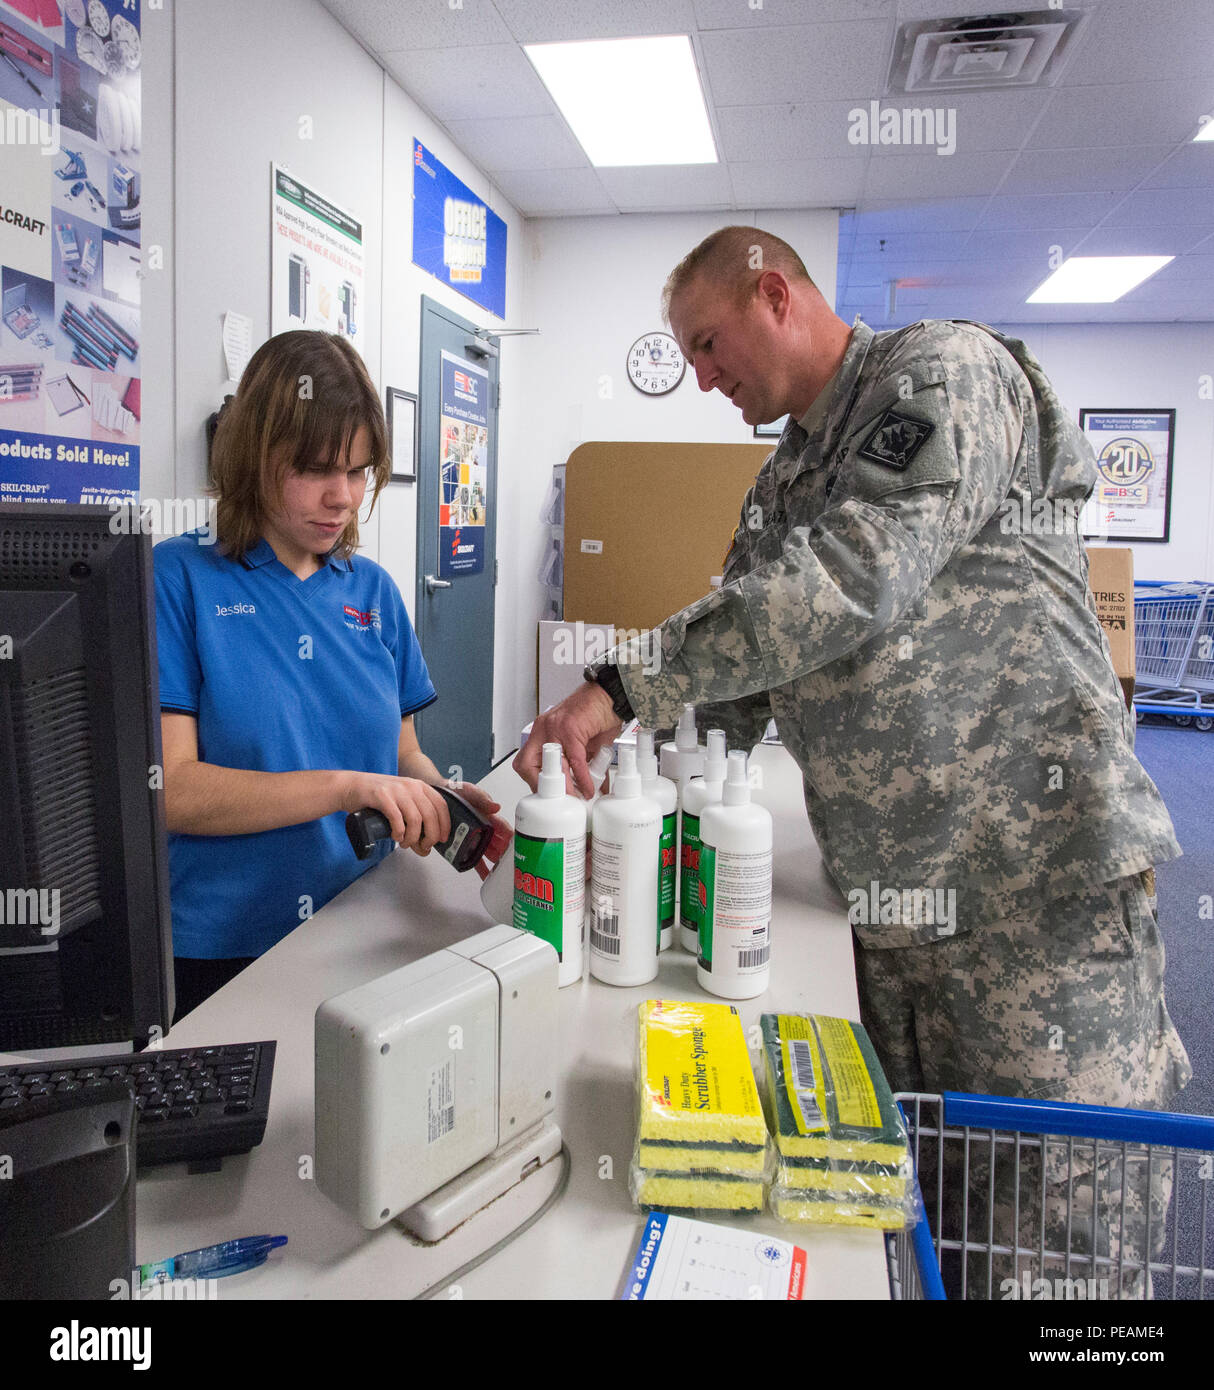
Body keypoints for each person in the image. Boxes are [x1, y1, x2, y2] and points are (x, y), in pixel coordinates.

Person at [516, 226, 1191, 1295]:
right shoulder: (786, 477)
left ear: (773, 294)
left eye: (705, 343)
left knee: (1056, 1244)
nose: (701, 378)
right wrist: (612, 787)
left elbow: (849, 582)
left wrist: (614, 685)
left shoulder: (939, 375)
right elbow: (736, 678)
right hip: (894, 915)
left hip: (1032, 906)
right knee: (917, 1220)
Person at [155, 330, 508, 1021]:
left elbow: (400, 750)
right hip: (226, 948)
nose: (342, 497)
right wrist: (345, 787)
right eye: (316, 470)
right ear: (255, 456)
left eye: (358, 471)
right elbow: (175, 791)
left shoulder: (372, 592)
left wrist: (430, 793)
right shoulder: (179, 580)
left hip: (364, 917)